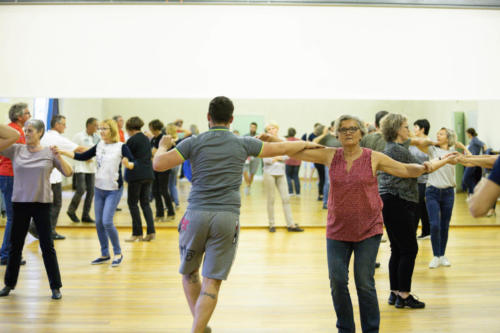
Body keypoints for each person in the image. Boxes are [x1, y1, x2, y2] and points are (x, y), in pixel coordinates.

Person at [152, 96, 322, 333]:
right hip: (226, 218)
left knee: (190, 273)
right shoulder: (243, 143)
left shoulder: (194, 141)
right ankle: (198, 328)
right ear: (231, 119)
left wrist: (162, 145)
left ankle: (198, 327)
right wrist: (313, 145)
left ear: (208, 118)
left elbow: (159, 164)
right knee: (212, 280)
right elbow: (285, 148)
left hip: (196, 215)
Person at [263, 114, 439, 333]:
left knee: (364, 283)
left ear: (361, 134)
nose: (348, 132)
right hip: (337, 230)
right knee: (337, 282)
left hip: (368, 229)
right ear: (337, 134)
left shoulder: (373, 157)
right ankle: (345, 329)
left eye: (353, 128)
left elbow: (405, 170)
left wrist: (430, 166)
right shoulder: (330, 155)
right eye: (343, 129)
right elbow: (295, 151)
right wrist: (275, 140)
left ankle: (370, 329)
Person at [379, 114, 454, 310]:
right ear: (396, 130)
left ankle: (395, 293)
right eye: (405, 127)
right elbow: (423, 169)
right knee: (409, 249)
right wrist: (445, 159)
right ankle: (404, 295)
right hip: (400, 201)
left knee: (398, 248)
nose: (408, 130)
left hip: (391, 201)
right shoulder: (397, 150)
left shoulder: (393, 148)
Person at [0, 120, 73, 300]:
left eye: (30, 131)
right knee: (15, 246)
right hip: (20, 204)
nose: (27, 134)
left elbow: (68, 173)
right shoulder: (15, 149)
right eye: (25, 131)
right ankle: (9, 283)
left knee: (47, 246)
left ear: (40, 133)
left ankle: (55, 287)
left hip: (41, 204)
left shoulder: (49, 152)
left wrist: (60, 156)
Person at [60, 119, 134, 267]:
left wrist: (128, 164)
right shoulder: (99, 145)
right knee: (99, 223)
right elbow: (82, 156)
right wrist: (62, 152)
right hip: (99, 189)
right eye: (100, 128)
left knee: (107, 221)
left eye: (104, 128)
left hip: (113, 190)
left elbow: (133, 162)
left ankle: (118, 253)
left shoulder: (121, 147)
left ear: (112, 130)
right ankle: (105, 253)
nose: (101, 131)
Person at [412, 127, 469, 269]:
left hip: (449, 193)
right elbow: (419, 143)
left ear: (448, 137)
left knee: (444, 225)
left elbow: (467, 159)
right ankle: (436, 256)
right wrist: (434, 142)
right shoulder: (432, 150)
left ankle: (442, 255)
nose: (438, 135)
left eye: (441, 133)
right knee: (435, 224)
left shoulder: (453, 153)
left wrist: (461, 146)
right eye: (437, 133)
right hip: (432, 191)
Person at [40, 115, 86, 240]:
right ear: (57, 125)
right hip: (53, 177)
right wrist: (100, 149)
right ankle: (49, 231)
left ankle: (38, 229)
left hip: (40, 176)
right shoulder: (57, 138)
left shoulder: (42, 135)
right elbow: (80, 149)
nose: (65, 127)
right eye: (64, 124)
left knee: (45, 206)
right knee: (56, 204)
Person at [0, 103, 30, 266]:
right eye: (27, 113)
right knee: (14, 218)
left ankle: (5, 252)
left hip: (9, 175)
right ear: (19, 116)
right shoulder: (15, 132)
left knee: (14, 217)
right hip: (11, 176)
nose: (30, 116)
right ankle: (6, 254)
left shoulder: (13, 130)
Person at [263, 123, 303, 233]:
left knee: (286, 199)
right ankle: (272, 224)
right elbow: (266, 160)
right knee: (271, 200)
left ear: (277, 129)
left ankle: (291, 224)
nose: (271, 130)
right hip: (269, 173)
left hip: (281, 173)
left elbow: (288, 156)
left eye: (273, 128)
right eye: (269, 129)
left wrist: (276, 157)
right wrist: (277, 158)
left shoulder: (282, 140)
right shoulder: (264, 142)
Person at [124, 117, 156, 242]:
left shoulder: (131, 140)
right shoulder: (146, 138)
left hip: (136, 175)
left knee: (133, 204)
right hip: (148, 174)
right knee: (145, 203)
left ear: (129, 128)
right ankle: (151, 231)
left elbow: (127, 157)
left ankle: (137, 233)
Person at [67, 117, 100, 223]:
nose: (97, 127)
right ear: (89, 125)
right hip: (80, 166)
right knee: (81, 189)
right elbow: (72, 149)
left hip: (91, 168)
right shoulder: (78, 136)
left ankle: (85, 215)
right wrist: (84, 155)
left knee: (91, 191)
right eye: (95, 125)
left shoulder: (97, 137)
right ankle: (71, 210)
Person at [149, 119, 175, 222]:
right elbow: (152, 152)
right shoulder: (153, 139)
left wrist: (155, 152)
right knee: (155, 191)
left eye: (151, 127)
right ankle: (159, 213)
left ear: (155, 128)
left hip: (164, 168)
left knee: (163, 190)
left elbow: (162, 151)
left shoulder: (163, 138)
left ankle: (171, 212)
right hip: (155, 167)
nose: (150, 129)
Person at [409, 119, 431, 239]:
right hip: (413, 179)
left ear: (423, 129)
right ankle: (427, 232)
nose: (414, 130)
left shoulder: (428, 142)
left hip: (424, 179)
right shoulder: (413, 142)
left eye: (416, 127)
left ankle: (412, 233)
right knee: (421, 206)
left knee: (417, 206)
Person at [462, 128, 487, 195]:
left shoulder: (475, 139)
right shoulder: (472, 140)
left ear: (469, 133)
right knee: (471, 178)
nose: (466, 135)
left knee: (466, 178)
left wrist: (485, 153)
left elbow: (484, 145)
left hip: (473, 161)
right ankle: (472, 193)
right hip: (470, 161)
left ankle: (474, 192)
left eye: (467, 133)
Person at [243, 122, 260, 195]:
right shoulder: (245, 136)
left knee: (252, 173)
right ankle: (248, 185)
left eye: (254, 127)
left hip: (256, 157)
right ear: (249, 127)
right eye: (251, 127)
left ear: (256, 128)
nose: (252, 128)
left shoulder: (259, 136)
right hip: (247, 157)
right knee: (244, 171)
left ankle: (248, 186)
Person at [285, 127, 301, 196]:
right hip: (297, 161)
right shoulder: (299, 140)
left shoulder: (286, 140)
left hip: (288, 161)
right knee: (296, 176)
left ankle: (290, 192)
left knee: (288, 176)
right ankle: (298, 193)